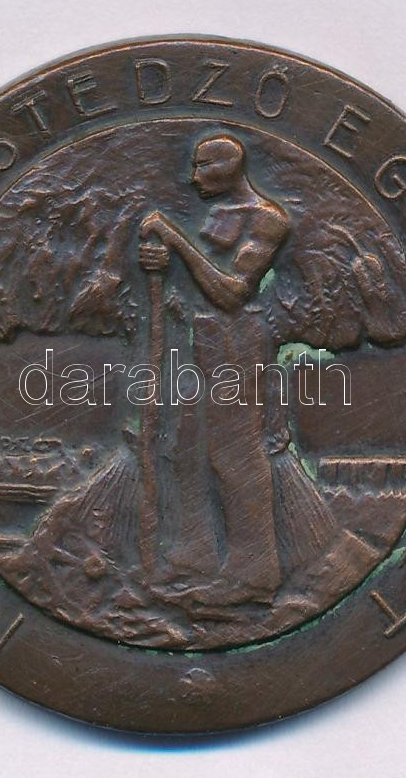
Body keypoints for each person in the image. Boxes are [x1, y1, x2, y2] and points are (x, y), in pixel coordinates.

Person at [139, 133, 289, 603]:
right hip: (197, 340)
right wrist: (158, 265)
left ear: (229, 166)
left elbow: (231, 293)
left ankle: (255, 575)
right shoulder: (216, 214)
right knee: (187, 449)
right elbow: (196, 285)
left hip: (235, 343)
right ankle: (196, 557)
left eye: (203, 166)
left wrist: (176, 242)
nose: (193, 177)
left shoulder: (268, 219)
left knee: (234, 455)